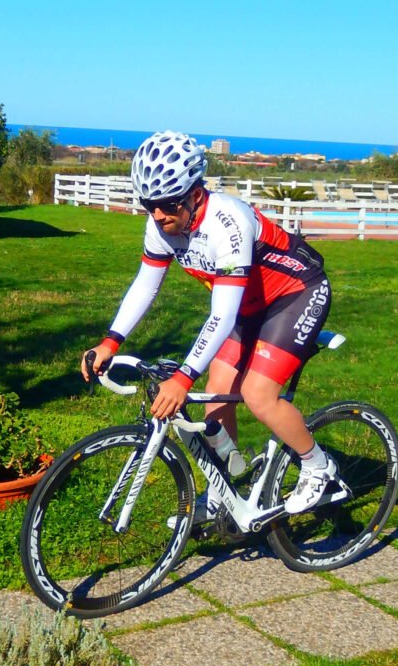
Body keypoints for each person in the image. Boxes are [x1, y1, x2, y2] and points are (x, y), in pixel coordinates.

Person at [82, 130, 334, 522]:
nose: (160, 215)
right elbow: (146, 285)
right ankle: (225, 495)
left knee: (257, 394)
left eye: (168, 205)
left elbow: (222, 315)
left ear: (195, 194)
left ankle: (318, 466)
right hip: (248, 306)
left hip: (295, 293)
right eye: (150, 205)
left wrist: (182, 378)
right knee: (216, 394)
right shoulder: (160, 225)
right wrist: (110, 342)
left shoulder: (226, 224)